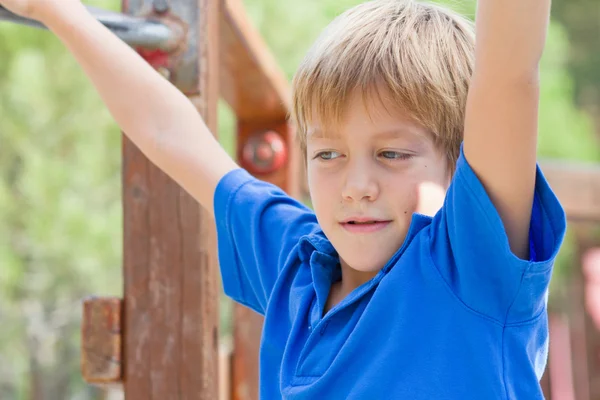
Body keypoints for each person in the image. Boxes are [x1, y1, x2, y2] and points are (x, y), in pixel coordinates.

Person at [0, 0, 567, 398]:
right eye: (328, 155)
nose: (356, 184)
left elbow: (509, 74)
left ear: (456, 165)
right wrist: (59, 11)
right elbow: (169, 133)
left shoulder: (469, 269)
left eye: (392, 155)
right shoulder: (296, 263)